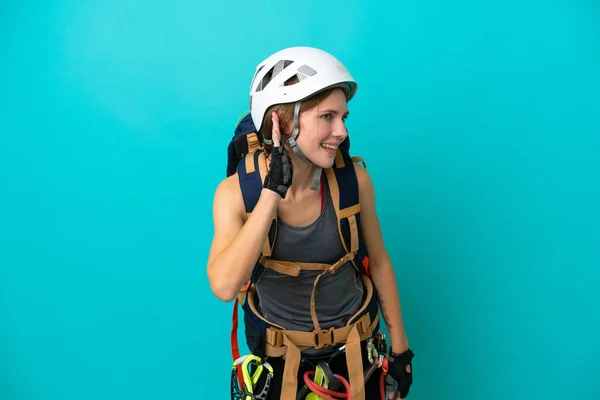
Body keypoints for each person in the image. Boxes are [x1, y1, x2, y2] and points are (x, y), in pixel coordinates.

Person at [207, 46, 414, 400]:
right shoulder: (236, 194)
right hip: (281, 363)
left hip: (358, 356)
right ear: (282, 121)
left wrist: (400, 352)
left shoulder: (355, 183)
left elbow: (378, 262)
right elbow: (226, 287)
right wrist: (272, 193)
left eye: (343, 118)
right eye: (327, 117)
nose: (341, 132)